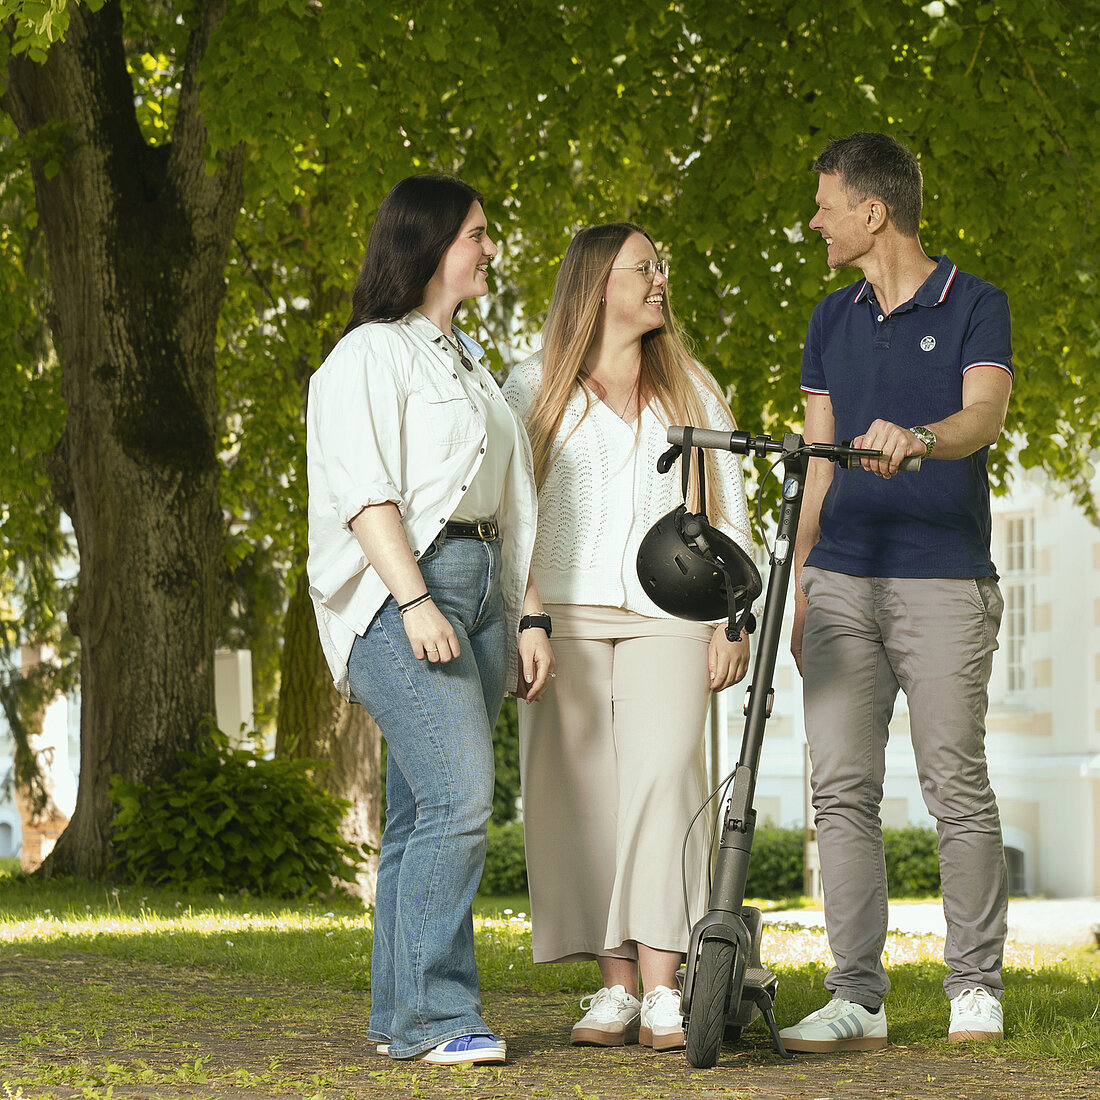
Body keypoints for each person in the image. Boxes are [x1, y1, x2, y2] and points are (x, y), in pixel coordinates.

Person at [305, 175, 554, 1065]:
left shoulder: (470, 360)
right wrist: (412, 599)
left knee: (418, 814)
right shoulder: (368, 355)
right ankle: (439, 1016)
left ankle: (397, 1019)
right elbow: (363, 491)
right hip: (404, 589)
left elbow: (512, 501)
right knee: (458, 798)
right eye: (478, 234)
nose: (490, 248)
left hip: (486, 585)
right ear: (432, 241)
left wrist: (530, 615)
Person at [784, 132, 1013, 1051]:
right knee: (840, 789)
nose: (816, 221)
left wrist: (920, 435)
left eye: (826, 204)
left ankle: (974, 987)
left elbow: (984, 413)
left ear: (872, 213)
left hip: (943, 579)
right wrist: (799, 581)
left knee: (955, 784)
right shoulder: (829, 318)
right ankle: (858, 997)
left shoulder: (975, 302)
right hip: (841, 578)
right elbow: (815, 463)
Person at [503, 222, 754, 1052]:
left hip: (672, 619)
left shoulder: (692, 388)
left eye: (660, 265)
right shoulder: (530, 388)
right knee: (579, 799)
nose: (659, 278)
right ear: (596, 284)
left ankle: (663, 990)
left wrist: (733, 618)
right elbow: (508, 518)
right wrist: (524, 615)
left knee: (664, 783)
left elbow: (730, 510)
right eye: (644, 267)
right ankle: (612, 989)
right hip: (561, 619)